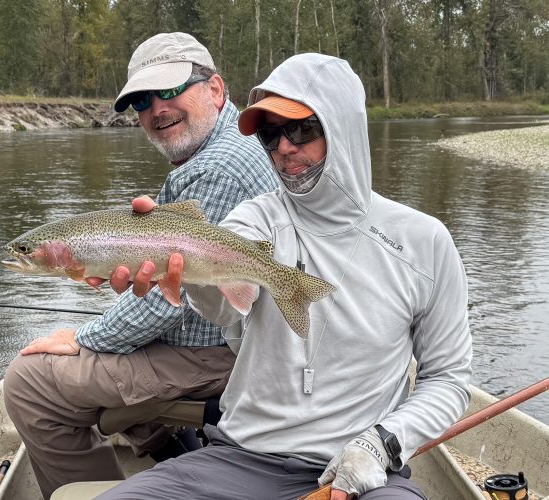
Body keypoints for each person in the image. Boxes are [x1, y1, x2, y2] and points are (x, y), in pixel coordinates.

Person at [99, 53, 472, 499]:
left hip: (357, 472)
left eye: (300, 129)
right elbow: (225, 305)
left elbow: (448, 378)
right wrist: (178, 262)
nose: (284, 148)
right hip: (236, 458)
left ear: (343, 127)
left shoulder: (424, 241)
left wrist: (383, 443)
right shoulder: (255, 218)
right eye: (270, 135)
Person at [2, 32, 278, 499]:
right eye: (142, 101)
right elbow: (167, 284)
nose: (155, 110)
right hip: (227, 334)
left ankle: (95, 492)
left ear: (215, 89)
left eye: (169, 91)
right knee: (113, 336)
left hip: (226, 352)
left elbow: (169, 307)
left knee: (29, 382)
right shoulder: (231, 143)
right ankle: (173, 453)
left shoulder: (216, 168)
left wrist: (86, 336)